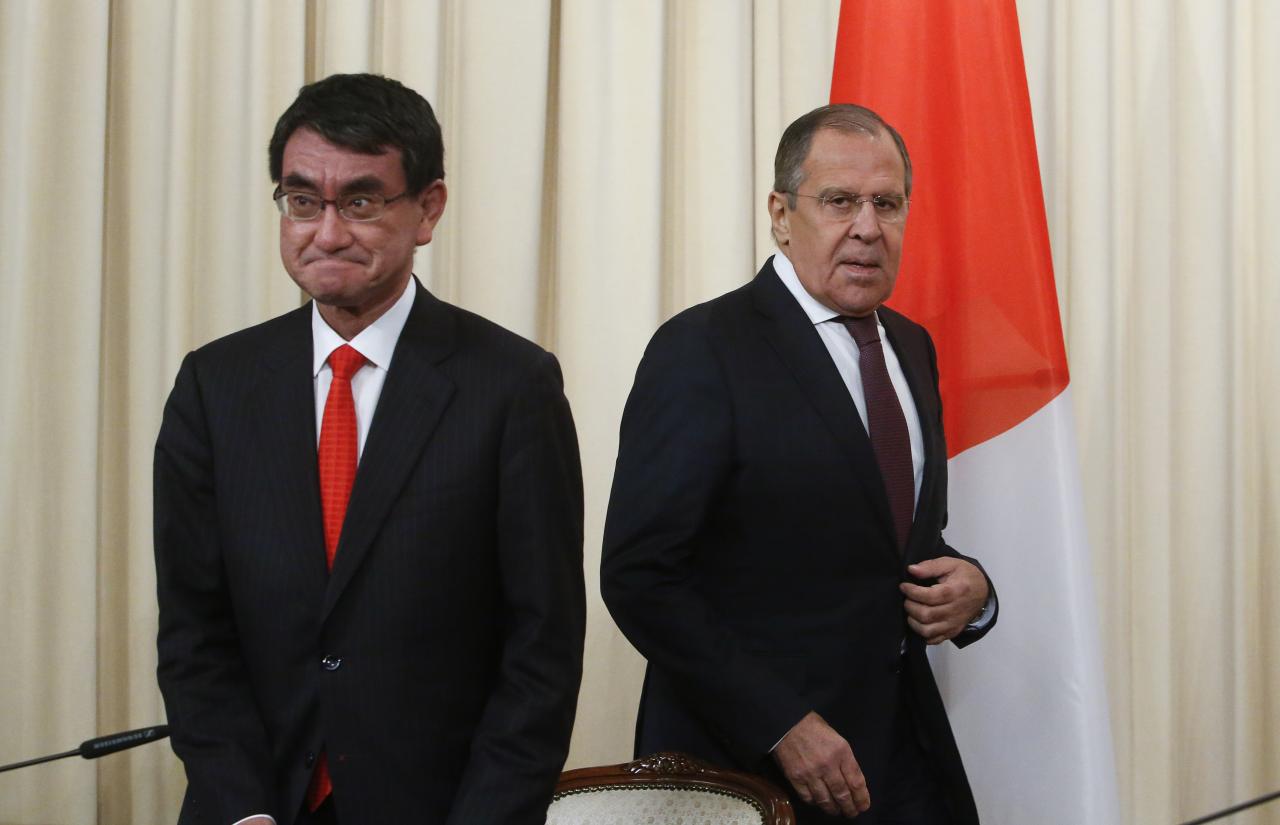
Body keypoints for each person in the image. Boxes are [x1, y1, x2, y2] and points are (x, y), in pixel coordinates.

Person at [154, 73, 585, 825]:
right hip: (256, 805)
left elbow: (541, 649)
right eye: (301, 201)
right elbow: (194, 634)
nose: (326, 232)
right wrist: (239, 805)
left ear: (428, 209)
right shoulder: (213, 386)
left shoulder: (512, 386)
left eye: (360, 201)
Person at [600, 104, 998, 825]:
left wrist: (973, 590)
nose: (868, 227)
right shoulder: (703, 348)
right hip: (747, 769)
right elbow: (640, 574)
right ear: (782, 214)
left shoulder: (911, 347)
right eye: (840, 201)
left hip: (897, 759)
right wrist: (781, 722)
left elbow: (898, 542)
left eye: (887, 203)